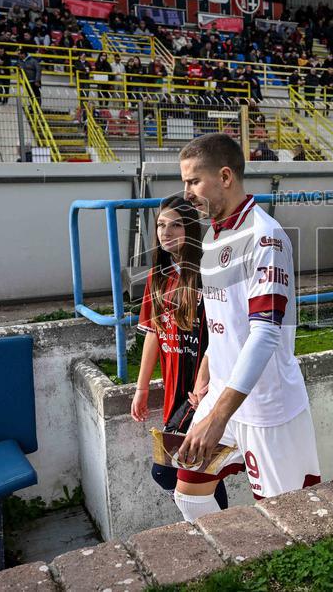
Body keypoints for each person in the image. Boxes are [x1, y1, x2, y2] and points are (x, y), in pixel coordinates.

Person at [173, 133, 320, 521]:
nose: (185, 192)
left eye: (193, 181)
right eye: (184, 182)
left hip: (266, 406)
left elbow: (265, 332)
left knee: (291, 518)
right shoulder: (212, 235)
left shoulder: (265, 237)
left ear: (224, 177)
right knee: (188, 492)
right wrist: (206, 372)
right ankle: (229, 560)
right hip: (222, 393)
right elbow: (224, 320)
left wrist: (216, 416)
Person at [131, 195, 229, 512]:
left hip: (201, 389)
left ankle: (212, 525)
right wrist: (142, 388)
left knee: (170, 469)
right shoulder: (157, 276)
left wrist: (205, 381)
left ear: (190, 227)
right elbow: (153, 335)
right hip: (175, 388)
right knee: (199, 470)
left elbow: (222, 331)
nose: (166, 232)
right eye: (161, 225)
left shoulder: (207, 271)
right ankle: (213, 525)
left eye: (176, 225)